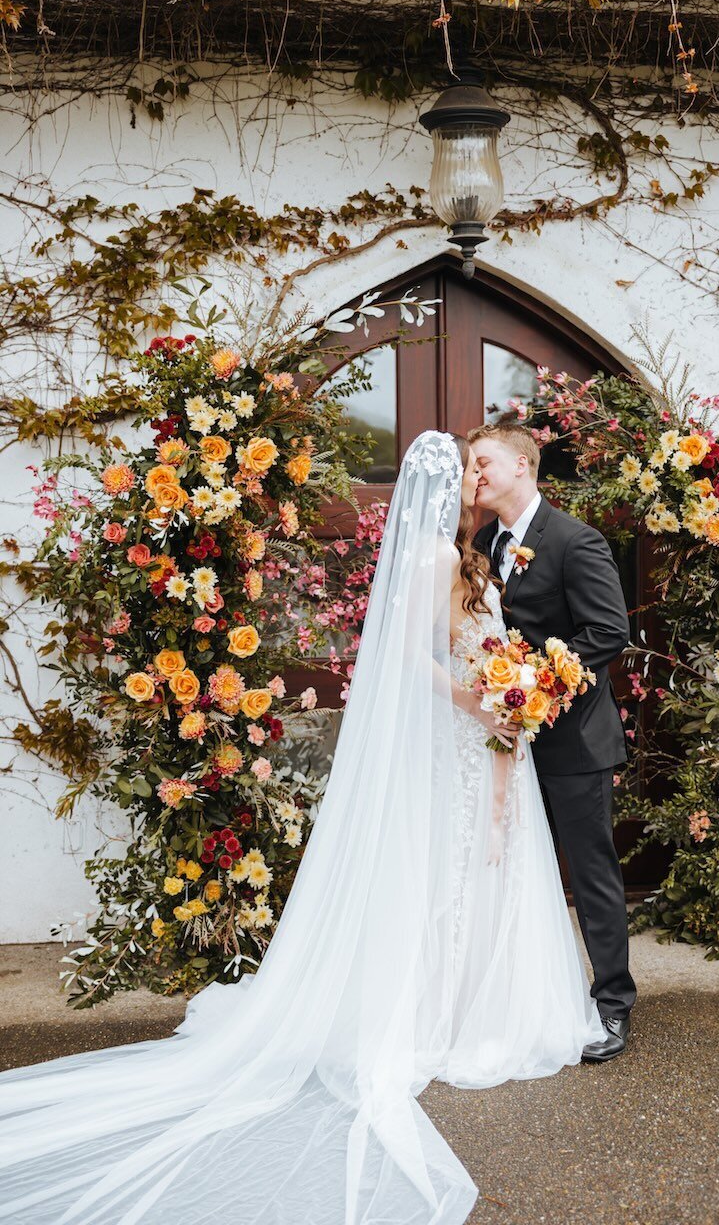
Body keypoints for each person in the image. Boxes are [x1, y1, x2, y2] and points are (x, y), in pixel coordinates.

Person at [0, 429, 608, 1225]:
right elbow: (403, 655)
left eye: (478, 466)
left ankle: (467, 1008)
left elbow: (496, 642)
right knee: (449, 871)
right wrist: (476, 699)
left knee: (480, 869)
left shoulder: (482, 553)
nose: (472, 478)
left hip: (488, 741)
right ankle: (436, 1014)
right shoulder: (432, 558)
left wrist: (511, 693)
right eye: (463, 469)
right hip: (463, 732)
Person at [469, 419, 637, 1062]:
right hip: (504, 742)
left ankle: (612, 1005)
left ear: (521, 465)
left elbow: (606, 634)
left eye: (484, 461)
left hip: (573, 742)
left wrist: (534, 688)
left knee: (591, 872)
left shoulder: (574, 539)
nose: (476, 473)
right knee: (513, 868)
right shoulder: (482, 543)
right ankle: (522, 1003)